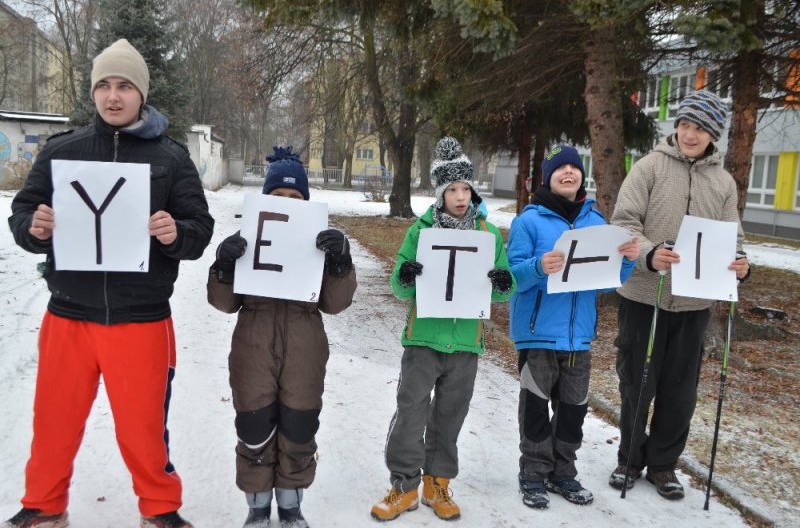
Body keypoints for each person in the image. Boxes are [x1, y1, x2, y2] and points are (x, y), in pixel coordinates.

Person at [5, 39, 213, 528]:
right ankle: (43, 505)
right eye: (103, 85)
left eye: (124, 86)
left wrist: (175, 233)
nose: (113, 96)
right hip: (68, 315)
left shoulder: (172, 157)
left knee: (143, 429)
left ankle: (160, 509)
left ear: (141, 93)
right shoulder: (63, 150)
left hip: (140, 319)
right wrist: (33, 228)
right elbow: (22, 212)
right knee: (54, 422)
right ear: (93, 92)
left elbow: (199, 229)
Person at [609, 89, 750, 500]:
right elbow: (624, 223)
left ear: (713, 135)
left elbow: (733, 238)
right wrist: (650, 254)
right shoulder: (649, 168)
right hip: (643, 295)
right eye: (686, 125)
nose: (691, 134)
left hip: (694, 302)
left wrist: (741, 264)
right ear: (677, 127)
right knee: (637, 382)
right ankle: (629, 459)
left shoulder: (723, 182)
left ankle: (664, 465)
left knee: (680, 389)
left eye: (701, 128)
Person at [207, 146, 357, 528]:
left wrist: (340, 263)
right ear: (266, 198)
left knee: (299, 424)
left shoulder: (318, 243)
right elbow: (224, 304)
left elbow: (335, 304)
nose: (288, 203)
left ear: (306, 202)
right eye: (279, 197)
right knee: (254, 424)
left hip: (305, 343)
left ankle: (291, 504)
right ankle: (257, 505)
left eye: (296, 198)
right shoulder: (249, 238)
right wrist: (224, 267)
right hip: (252, 344)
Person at [370, 136, 516, 522]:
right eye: (452, 189)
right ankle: (404, 485)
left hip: (466, 342)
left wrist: (504, 283)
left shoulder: (487, 234)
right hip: (424, 339)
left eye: (465, 187)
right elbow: (399, 286)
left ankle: (438, 482)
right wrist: (406, 273)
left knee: (450, 416)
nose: (460, 195)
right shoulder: (421, 231)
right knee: (411, 412)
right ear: (439, 192)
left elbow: (502, 290)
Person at [506, 145, 639, 509]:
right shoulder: (527, 221)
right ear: (548, 177)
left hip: (579, 337)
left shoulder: (598, 224)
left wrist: (627, 263)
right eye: (560, 168)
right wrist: (537, 266)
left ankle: (563, 472)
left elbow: (607, 280)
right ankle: (533, 473)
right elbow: (509, 277)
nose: (568, 173)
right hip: (537, 333)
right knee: (535, 408)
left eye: (574, 168)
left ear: (583, 175)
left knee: (573, 410)